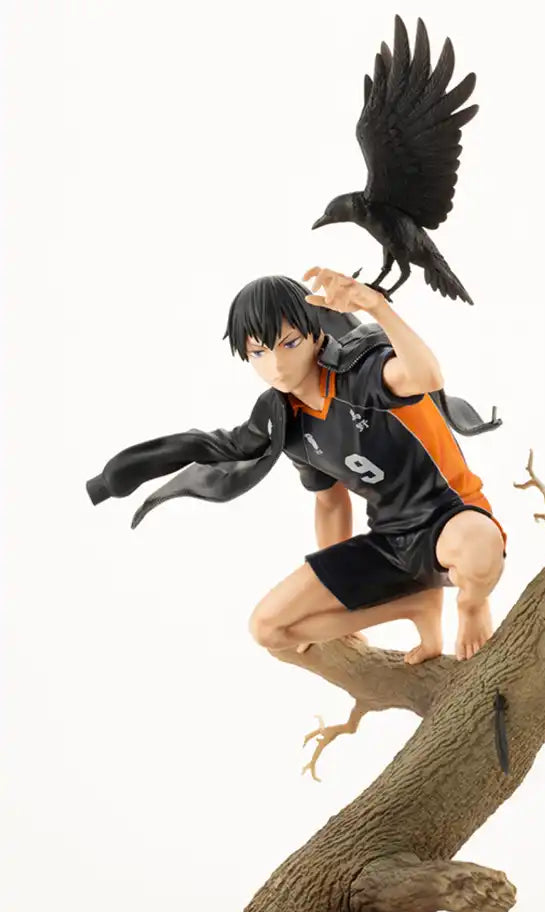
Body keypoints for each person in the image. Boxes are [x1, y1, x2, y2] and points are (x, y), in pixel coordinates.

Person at [86, 268, 507, 663]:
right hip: (389, 541)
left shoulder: (360, 371)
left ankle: (471, 603)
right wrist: (343, 588)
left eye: (289, 344)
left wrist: (376, 306)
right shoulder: (285, 420)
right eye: (258, 352)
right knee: (269, 628)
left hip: (451, 518)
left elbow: (427, 376)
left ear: (315, 333)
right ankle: (415, 605)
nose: (276, 365)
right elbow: (330, 503)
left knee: (479, 548)